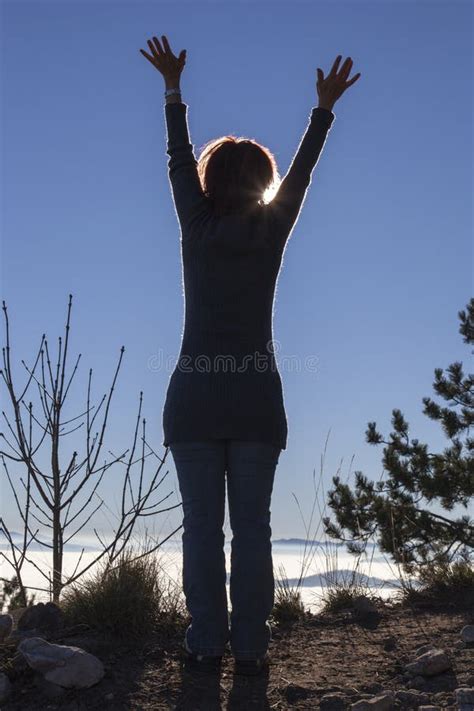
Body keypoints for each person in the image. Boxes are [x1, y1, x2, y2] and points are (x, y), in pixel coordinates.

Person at [140, 34, 361, 676]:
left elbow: (177, 162)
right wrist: (322, 109)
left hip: (196, 401)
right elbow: (304, 172)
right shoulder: (270, 231)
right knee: (254, 532)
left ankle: (206, 641)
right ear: (264, 183)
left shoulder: (197, 227)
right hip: (257, 402)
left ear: (211, 182)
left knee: (202, 530)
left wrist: (173, 89)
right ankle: (254, 648)